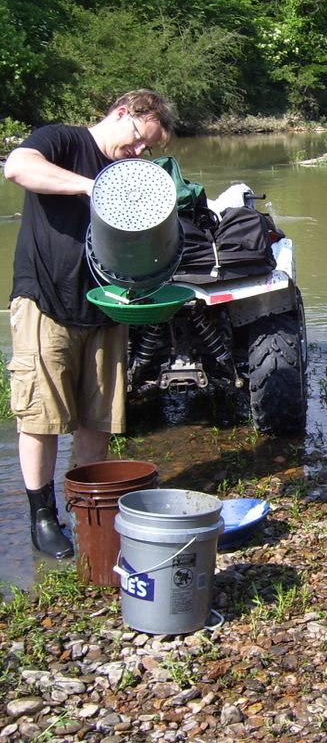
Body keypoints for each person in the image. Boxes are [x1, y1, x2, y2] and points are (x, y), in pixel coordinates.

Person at [4, 89, 175, 558]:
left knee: (99, 416)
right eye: (141, 140)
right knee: (40, 415)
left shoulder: (134, 173)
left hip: (108, 307)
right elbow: (17, 168)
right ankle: (42, 516)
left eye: (150, 150)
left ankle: (86, 508)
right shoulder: (61, 139)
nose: (141, 153)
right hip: (45, 299)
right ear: (124, 113)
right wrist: (90, 186)